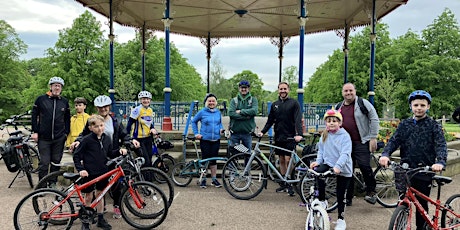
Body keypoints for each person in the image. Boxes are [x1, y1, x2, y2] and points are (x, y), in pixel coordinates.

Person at [379, 90, 447, 230]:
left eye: (422, 105)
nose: (419, 108)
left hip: (424, 169)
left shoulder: (433, 125)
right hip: (406, 168)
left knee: (421, 204)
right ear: (411, 106)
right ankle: (402, 223)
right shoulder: (405, 124)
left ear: (428, 106)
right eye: (416, 105)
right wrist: (385, 154)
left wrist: (440, 162)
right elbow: (394, 140)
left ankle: (422, 227)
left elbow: (441, 145)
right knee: (404, 200)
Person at [70, 95, 139, 219]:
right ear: (97, 108)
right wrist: (77, 141)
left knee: (116, 183)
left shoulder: (114, 121)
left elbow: (124, 134)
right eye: (100, 107)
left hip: (111, 153)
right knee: (95, 187)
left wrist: (130, 141)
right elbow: (84, 135)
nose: (103, 109)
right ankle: (100, 209)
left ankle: (117, 206)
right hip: (95, 158)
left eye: (105, 107)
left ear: (109, 107)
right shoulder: (92, 121)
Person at [337, 82, 379, 205]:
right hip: (345, 144)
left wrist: (373, 137)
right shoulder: (339, 106)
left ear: (355, 91)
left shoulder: (362, 103)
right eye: (346, 91)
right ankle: (348, 197)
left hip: (361, 141)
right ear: (342, 93)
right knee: (346, 169)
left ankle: (371, 191)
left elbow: (374, 118)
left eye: (351, 90)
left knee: (364, 165)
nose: (348, 93)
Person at [258, 82, 303, 196]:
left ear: (288, 90)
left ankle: (291, 181)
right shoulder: (275, 105)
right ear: (278, 90)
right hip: (279, 135)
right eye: (281, 89)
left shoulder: (294, 103)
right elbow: (270, 121)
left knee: (289, 160)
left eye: (285, 89)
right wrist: (263, 131)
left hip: (290, 136)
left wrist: (299, 133)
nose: (283, 91)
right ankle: (284, 182)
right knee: (281, 159)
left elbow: (298, 119)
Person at [310, 108, 352, 230]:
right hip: (329, 164)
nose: (332, 123)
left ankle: (341, 219)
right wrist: (317, 162)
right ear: (326, 123)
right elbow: (321, 151)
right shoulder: (325, 134)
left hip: (343, 168)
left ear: (340, 123)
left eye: (334, 120)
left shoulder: (345, 136)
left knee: (340, 195)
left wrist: (338, 167)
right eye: (329, 121)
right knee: (318, 173)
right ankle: (323, 200)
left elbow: (345, 154)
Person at [73, 115, 114, 230]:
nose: (100, 128)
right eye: (96, 126)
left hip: (103, 171)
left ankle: (100, 218)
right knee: (88, 196)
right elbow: (76, 155)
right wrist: (81, 169)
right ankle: (85, 221)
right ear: (90, 128)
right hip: (89, 172)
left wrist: (120, 151)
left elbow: (110, 153)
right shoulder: (86, 140)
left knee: (100, 195)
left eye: (101, 125)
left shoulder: (106, 138)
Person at [31, 76, 70, 181]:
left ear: (61, 88)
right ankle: (42, 185)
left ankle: (53, 183)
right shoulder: (41, 99)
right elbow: (34, 116)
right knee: (44, 162)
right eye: (55, 85)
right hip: (44, 137)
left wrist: (66, 133)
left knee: (56, 162)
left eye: (59, 86)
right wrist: (35, 131)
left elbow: (67, 118)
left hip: (59, 137)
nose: (57, 88)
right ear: (51, 87)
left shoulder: (64, 102)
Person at [191, 93, 224, 188]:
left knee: (214, 160)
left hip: (216, 139)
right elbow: (193, 121)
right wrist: (196, 133)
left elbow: (220, 124)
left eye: (213, 101)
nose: (211, 102)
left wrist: (221, 129)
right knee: (205, 160)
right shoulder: (202, 112)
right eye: (209, 101)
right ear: (206, 102)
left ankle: (214, 179)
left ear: (216, 102)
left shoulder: (218, 112)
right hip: (205, 139)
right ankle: (203, 179)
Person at [126, 91, 157, 170]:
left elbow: (149, 123)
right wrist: (128, 137)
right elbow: (129, 124)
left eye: (147, 99)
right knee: (145, 160)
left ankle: (149, 179)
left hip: (148, 138)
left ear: (150, 100)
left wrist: (152, 128)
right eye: (143, 99)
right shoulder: (137, 110)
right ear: (140, 100)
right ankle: (144, 180)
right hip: (139, 139)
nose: (145, 101)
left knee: (149, 158)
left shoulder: (150, 110)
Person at [228, 80, 258, 153]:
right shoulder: (234, 100)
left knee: (247, 154)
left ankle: (246, 165)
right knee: (233, 155)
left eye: (245, 87)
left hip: (247, 133)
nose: (244, 89)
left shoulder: (253, 100)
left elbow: (254, 111)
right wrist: (247, 117)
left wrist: (241, 111)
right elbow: (231, 113)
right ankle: (234, 164)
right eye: (242, 87)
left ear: (248, 88)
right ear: (239, 88)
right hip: (235, 133)